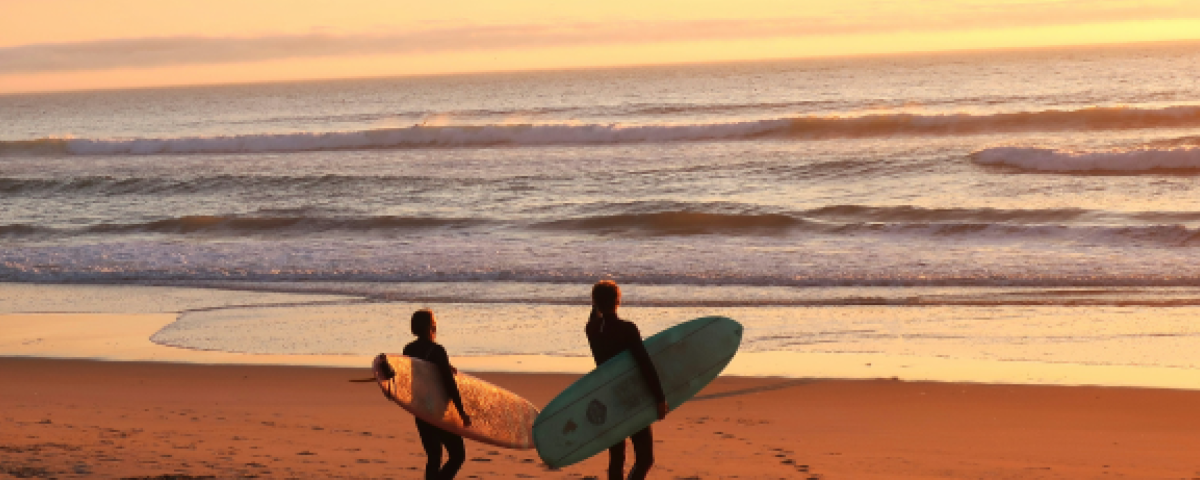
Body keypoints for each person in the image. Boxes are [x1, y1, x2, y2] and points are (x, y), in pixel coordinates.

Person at [586, 280, 668, 480]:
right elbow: (644, 364)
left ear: (595, 302)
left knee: (617, 457)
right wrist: (660, 398)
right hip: (631, 398)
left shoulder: (592, 329)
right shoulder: (627, 329)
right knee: (645, 459)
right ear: (618, 301)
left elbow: (595, 316)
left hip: (608, 397)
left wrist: (596, 305)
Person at [403, 309, 472, 480]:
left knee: (434, 456)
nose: (436, 326)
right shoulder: (437, 350)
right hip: (438, 409)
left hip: (420, 409)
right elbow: (449, 384)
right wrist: (461, 411)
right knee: (458, 455)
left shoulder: (408, 349)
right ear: (429, 327)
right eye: (434, 323)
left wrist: (445, 366)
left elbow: (415, 375)